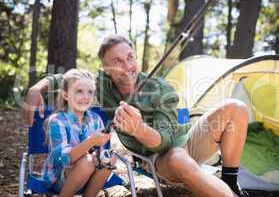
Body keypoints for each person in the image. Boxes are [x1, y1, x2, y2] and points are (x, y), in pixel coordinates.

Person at [23, 35, 249, 197]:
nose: (127, 66)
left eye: (130, 57)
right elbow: (62, 79)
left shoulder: (161, 89)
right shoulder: (100, 85)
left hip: (184, 140)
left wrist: (139, 129)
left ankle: (230, 182)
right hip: (162, 158)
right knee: (178, 157)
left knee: (236, 107)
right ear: (106, 69)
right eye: (117, 62)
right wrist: (36, 89)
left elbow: (168, 138)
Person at [40, 69, 115, 197]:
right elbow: (62, 159)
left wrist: (100, 153)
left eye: (90, 92)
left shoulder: (95, 119)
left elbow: (99, 153)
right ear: (65, 95)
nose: (86, 97)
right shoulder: (57, 121)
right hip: (59, 177)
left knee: (110, 159)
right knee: (86, 161)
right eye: (79, 91)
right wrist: (91, 141)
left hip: (89, 175)